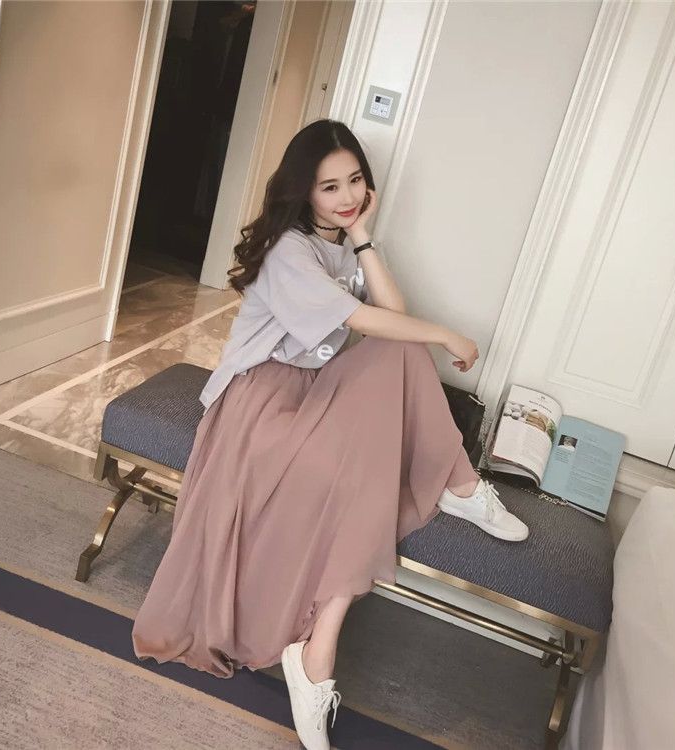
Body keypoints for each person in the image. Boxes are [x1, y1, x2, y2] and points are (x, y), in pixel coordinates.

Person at [131, 119, 528, 750]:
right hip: (259, 405)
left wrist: (363, 236)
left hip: (314, 391)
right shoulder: (289, 251)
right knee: (380, 414)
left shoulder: (344, 241)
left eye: (355, 182)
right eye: (329, 187)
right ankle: (457, 487)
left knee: (394, 364)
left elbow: (391, 318)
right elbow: (371, 320)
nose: (346, 197)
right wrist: (445, 333)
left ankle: (320, 651)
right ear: (303, 191)